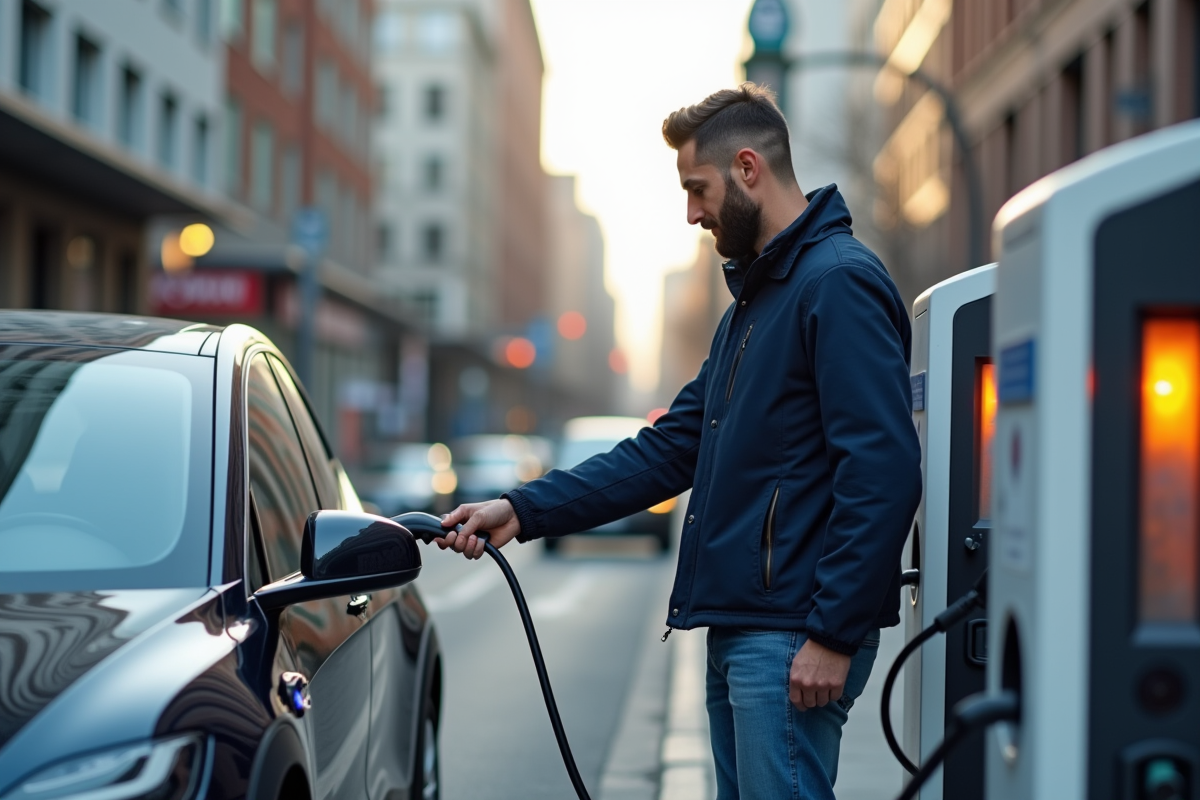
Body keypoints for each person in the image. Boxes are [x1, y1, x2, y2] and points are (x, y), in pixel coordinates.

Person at [437, 83, 921, 800]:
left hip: (793, 634)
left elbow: (883, 469)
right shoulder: (757, 304)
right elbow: (667, 450)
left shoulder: (837, 284)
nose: (692, 213)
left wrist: (833, 632)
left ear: (748, 168)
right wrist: (522, 508)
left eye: (698, 189)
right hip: (749, 632)